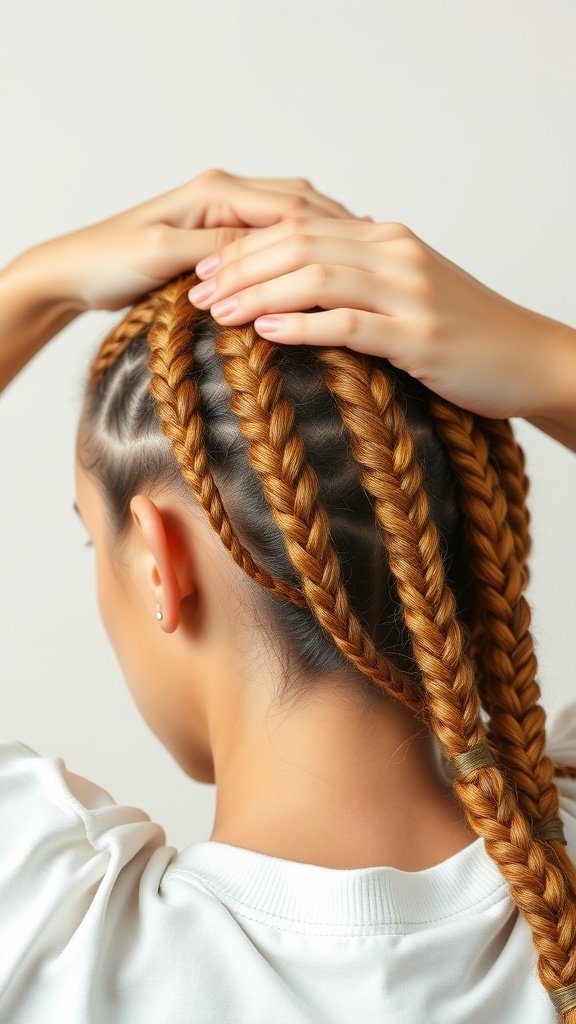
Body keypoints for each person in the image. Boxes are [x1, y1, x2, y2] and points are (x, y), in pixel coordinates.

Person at [0, 168, 575, 1024]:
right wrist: (552, 364)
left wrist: (35, 283)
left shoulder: (51, 932)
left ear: (160, 562)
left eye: (97, 540)